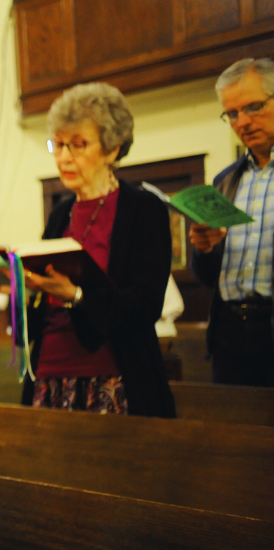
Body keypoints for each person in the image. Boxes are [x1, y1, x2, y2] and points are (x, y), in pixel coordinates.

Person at [23, 83, 175, 417]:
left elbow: (145, 303)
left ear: (112, 149)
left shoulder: (142, 208)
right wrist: (16, 284)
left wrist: (77, 295)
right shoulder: (61, 213)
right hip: (50, 373)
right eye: (59, 144)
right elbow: (43, 298)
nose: (64, 157)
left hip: (114, 374)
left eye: (78, 145)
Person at [190, 58, 274, 387]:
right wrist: (204, 249)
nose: (243, 122)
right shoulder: (226, 181)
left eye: (253, 107)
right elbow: (208, 276)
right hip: (230, 331)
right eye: (233, 114)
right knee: (234, 431)